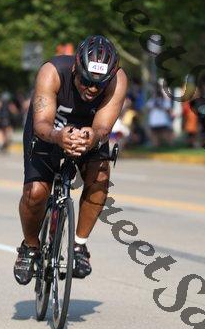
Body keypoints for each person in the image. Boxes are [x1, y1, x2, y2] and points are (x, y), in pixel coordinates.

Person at [13, 34, 127, 285]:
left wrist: (92, 137)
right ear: (76, 68)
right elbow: (42, 123)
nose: (92, 89)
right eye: (86, 81)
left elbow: (103, 128)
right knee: (35, 193)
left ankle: (79, 245)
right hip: (50, 130)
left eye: (99, 84)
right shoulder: (51, 72)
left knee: (100, 178)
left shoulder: (118, 80)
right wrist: (58, 136)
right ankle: (30, 247)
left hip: (89, 133)